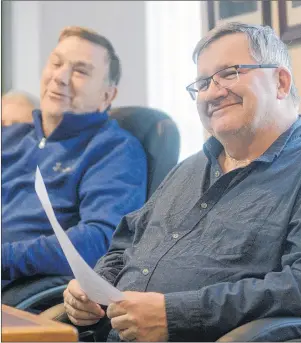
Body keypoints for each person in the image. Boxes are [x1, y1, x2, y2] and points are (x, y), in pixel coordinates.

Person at [63, 22, 301, 342]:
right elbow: (126, 243)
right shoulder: (187, 169)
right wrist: (94, 288)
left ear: (281, 82)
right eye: (202, 83)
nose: (213, 92)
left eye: (230, 73)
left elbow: (296, 284)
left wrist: (175, 314)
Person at [2, 26, 147, 289]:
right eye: (56, 63)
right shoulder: (10, 138)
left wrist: (6, 258)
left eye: (80, 71)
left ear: (107, 95)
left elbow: (101, 240)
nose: (60, 77)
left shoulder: (114, 150)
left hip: (24, 293)